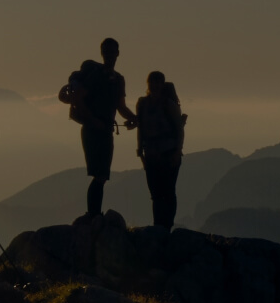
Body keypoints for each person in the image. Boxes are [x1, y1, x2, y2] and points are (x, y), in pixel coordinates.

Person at [58, 38, 136, 218]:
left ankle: (94, 214)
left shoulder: (118, 79)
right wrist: (94, 121)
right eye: (106, 52)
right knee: (100, 174)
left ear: (117, 53)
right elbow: (78, 98)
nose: (109, 55)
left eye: (111, 52)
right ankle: (93, 215)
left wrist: (135, 119)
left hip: (105, 129)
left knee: (101, 175)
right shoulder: (97, 76)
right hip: (94, 129)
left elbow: (121, 107)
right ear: (102, 53)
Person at [135, 71, 187, 229]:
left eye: (158, 82)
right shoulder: (142, 104)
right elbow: (140, 128)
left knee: (168, 192)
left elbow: (179, 130)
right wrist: (140, 151)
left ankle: (166, 226)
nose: (155, 85)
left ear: (162, 85)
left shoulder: (168, 104)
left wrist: (177, 152)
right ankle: (159, 226)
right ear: (148, 84)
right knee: (156, 194)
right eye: (153, 82)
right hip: (151, 155)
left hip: (169, 154)